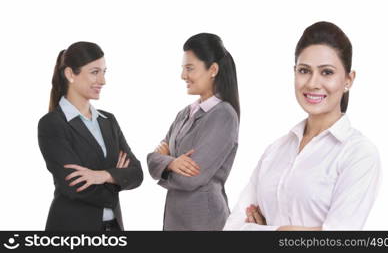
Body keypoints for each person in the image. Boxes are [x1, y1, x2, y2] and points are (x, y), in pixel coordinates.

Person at [224, 21, 381, 230]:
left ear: (348, 80)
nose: (313, 83)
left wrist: (264, 228)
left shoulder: (358, 154)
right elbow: (232, 227)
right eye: (304, 70)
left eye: (327, 72)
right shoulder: (276, 150)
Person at [38, 41, 143, 231]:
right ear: (70, 74)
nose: (103, 81)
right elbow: (74, 186)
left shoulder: (108, 120)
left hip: (113, 228)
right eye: (95, 72)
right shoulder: (52, 124)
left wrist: (102, 175)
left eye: (104, 72)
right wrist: (118, 179)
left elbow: (136, 173)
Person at [147, 33, 240, 230]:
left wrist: (163, 164)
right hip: (175, 220)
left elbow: (191, 178)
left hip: (203, 223)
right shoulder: (184, 114)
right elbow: (151, 159)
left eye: (189, 68)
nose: (183, 76)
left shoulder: (223, 115)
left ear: (213, 69)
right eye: (183, 69)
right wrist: (172, 163)